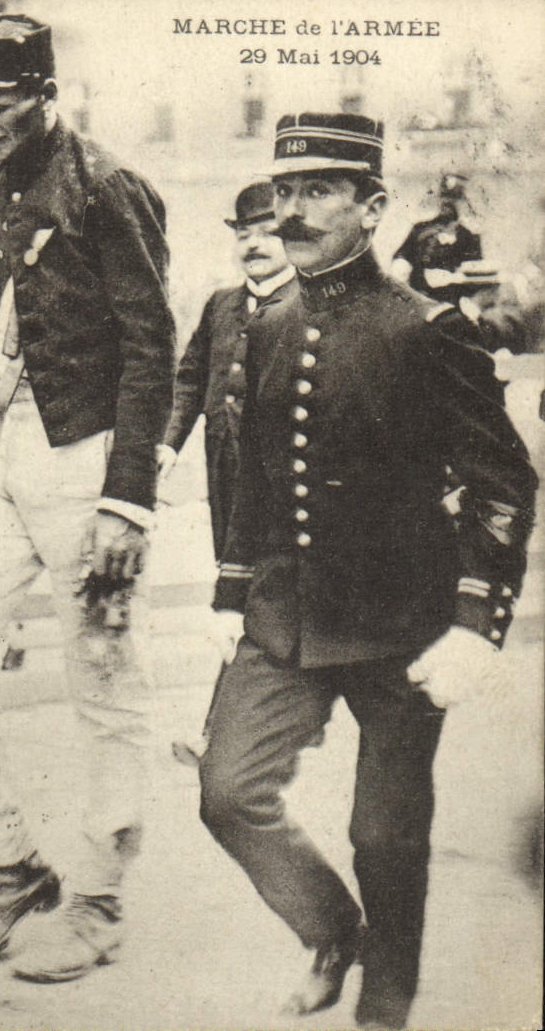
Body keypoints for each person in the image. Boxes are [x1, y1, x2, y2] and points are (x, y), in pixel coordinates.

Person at [197, 113, 536, 1028]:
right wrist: (230, 592)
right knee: (227, 793)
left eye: (318, 192)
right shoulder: (263, 324)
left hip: (400, 622)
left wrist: (476, 620)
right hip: (282, 615)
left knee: (384, 836)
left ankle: (384, 1003)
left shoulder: (428, 331)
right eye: (283, 193)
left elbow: (504, 480)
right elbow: (254, 476)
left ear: (373, 206)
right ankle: (330, 929)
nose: (291, 212)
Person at [0, 14, 175, 981]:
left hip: (86, 458)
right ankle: (13, 865)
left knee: (103, 683)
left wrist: (127, 500)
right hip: (0, 455)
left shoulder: (108, 187)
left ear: (43, 91)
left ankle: (98, 899)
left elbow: (153, 348)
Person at [160, 180, 294, 766]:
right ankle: (268, 725)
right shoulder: (220, 304)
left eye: (268, 232)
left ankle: (218, 729)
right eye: (244, 234)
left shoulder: (310, 305)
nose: (255, 244)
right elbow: (189, 378)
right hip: (227, 475)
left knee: (252, 597)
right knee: (249, 594)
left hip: (287, 477)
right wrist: (166, 445)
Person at [390, 172, 483, 303]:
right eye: (445, 199)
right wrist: (401, 263)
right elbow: (403, 254)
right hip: (419, 295)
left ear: (462, 202)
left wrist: (454, 277)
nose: (447, 204)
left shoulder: (467, 235)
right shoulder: (420, 228)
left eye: (453, 200)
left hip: (451, 297)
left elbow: (474, 269)